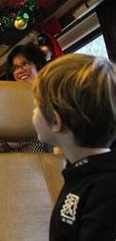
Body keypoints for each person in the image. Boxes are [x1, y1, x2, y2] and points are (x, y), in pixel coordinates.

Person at [32, 53, 116, 239]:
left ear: (55, 120)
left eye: (36, 105)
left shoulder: (106, 190)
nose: (33, 111)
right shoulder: (81, 172)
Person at [0, 43, 51, 153]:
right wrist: (9, 143)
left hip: (54, 158)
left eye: (25, 64)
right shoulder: (9, 104)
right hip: (21, 165)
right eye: (15, 68)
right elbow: (0, 146)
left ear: (38, 65)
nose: (19, 70)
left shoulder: (54, 94)